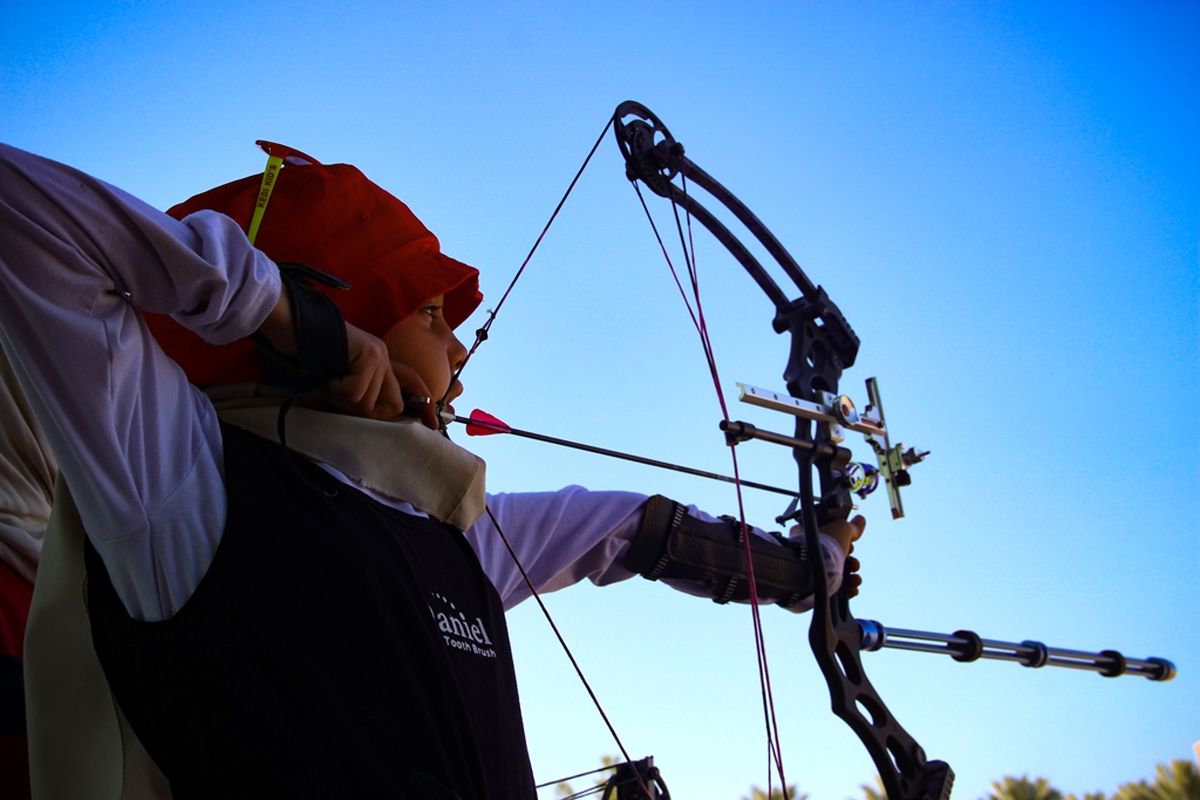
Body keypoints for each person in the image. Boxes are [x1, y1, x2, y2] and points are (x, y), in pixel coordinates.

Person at [0, 141, 863, 799]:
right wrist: (270, 308)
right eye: (429, 310)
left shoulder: (451, 533)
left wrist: (811, 568)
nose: (457, 348)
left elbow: (636, 528)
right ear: (350, 314)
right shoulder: (183, 482)